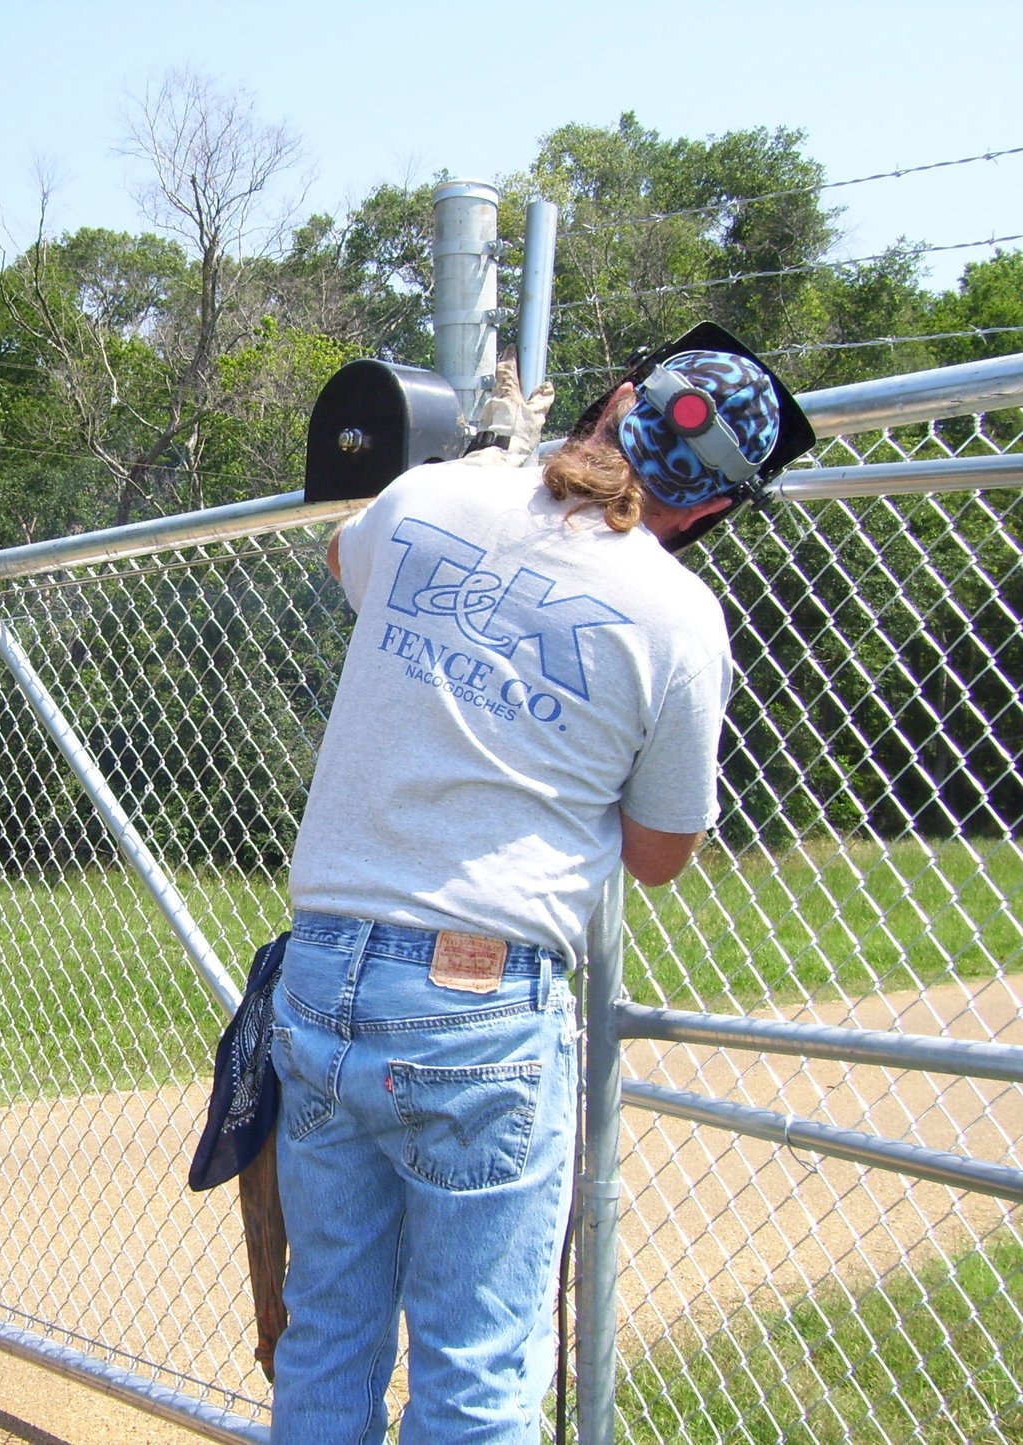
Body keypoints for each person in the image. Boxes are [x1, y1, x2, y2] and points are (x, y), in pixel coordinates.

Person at [273, 337, 807, 1443]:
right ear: (710, 512)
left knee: (328, 1327)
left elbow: (343, 557)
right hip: (478, 994)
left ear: (616, 405)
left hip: (324, 969)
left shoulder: (432, 495)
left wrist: (491, 464)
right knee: (475, 1370)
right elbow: (661, 852)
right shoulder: (677, 616)